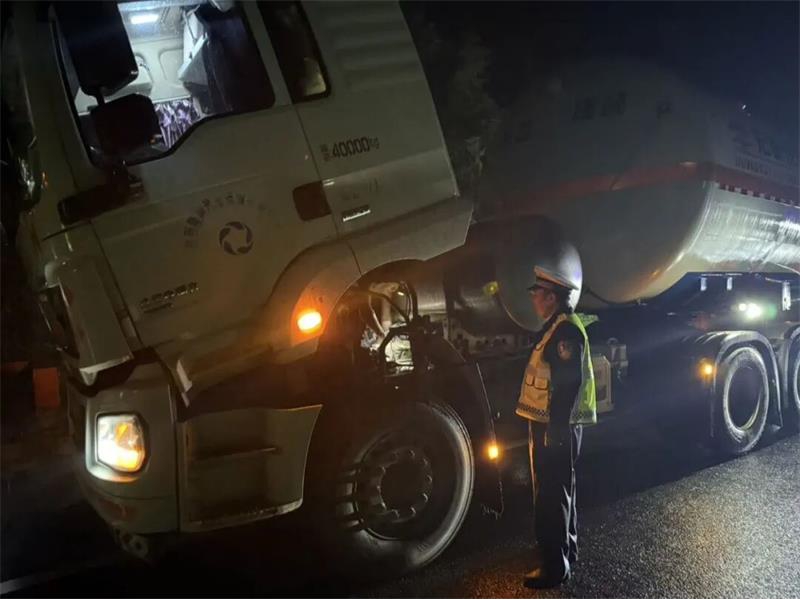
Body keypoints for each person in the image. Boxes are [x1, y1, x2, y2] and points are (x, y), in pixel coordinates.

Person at [517, 265, 597, 588]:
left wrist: (557, 428)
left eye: (538, 294)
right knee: (562, 490)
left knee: (551, 495)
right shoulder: (557, 327)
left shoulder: (564, 331)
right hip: (555, 425)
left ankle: (554, 567)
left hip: (555, 426)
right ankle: (567, 551)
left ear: (551, 298)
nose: (534, 299)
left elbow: (569, 381)